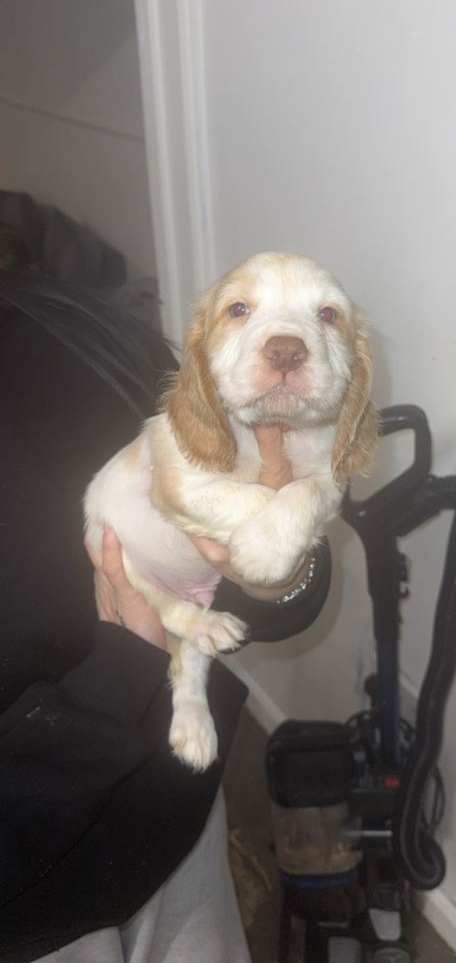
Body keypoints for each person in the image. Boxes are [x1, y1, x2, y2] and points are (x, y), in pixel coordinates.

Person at [0, 269, 331, 963]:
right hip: (32, 916)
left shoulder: (79, 331)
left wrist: (280, 573)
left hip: (173, 798)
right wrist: (115, 684)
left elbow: (250, 579)